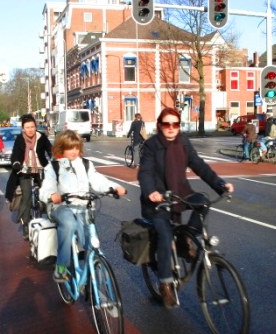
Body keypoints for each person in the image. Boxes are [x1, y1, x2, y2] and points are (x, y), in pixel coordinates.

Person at [137, 107, 234, 308]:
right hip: (158, 199)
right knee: (164, 235)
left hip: (180, 193)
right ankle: (165, 284)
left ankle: (185, 237)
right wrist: (151, 192)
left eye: (175, 124)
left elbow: (198, 165)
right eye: (167, 124)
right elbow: (145, 172)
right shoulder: (151, 145)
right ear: (160, 126)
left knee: (203, 201)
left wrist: (220, 184)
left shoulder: (183, 142)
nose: (171, 128)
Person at [39, 130, 127, 282]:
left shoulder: (85, 164)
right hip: (61, 208)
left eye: (76, 147)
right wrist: (52, 195)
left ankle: (89, 270)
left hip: (83, 207)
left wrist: (114, 188)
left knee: (89, 238)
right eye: (69, 148)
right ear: (61, 148)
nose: (74, 151)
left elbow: (98, 180)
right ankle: (61, 268)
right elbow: (46, 187)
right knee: (69, 223)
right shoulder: (53, 167)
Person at [5, 114, 52, 240]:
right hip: (24, 170)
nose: (30, 129)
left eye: (32, 127)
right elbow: (15, 155)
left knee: (48, 192)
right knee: (26, 195)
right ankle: (26, 223)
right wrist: (16, 164)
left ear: (35, 127)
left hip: (40, 168)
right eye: (27, 127)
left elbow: (50, 150)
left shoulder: (41, 137)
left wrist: (54, 159)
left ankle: (50, 216)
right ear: (23, 129)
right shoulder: (20, 139)